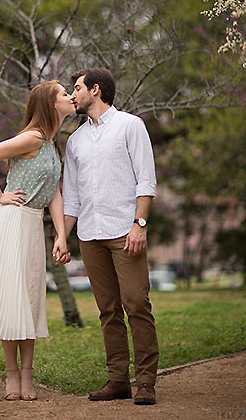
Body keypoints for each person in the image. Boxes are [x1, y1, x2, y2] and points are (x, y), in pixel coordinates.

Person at [0, 80, 74, 401]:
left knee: (30, 301)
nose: (71, 96)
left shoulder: (53, 144)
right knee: (14, 300)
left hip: (31, 226)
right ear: (51, 104)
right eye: (64, 94)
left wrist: (61, 235)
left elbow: (54, 192)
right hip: (10, 222)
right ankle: (12, 375)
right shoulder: (31, 137)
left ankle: (27, 375)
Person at [62, 67, 160, 405]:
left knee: (136, 303)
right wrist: (63, 237)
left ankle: (146, 381)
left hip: (125, 231)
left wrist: (139, 224)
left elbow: (145, 180)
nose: (72, 95)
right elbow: (71, 195)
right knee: (108, 309)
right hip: (90, 236)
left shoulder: (130, 126)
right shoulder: (75, 141)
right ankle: (118, 380)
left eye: (76, 89)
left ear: (96, 90)